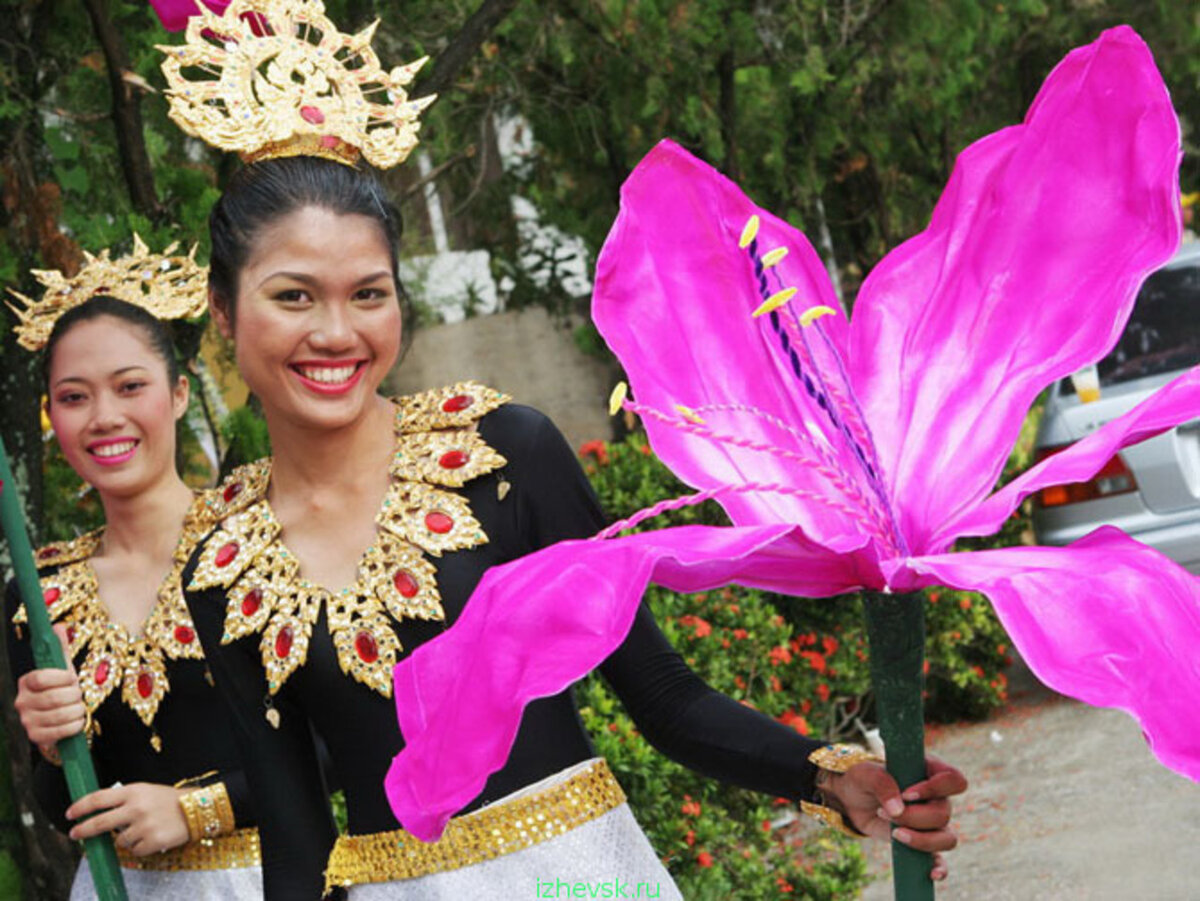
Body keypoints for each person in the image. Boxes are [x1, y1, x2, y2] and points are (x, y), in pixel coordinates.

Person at [154, 2, 966, 897]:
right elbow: (293, 822)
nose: (336, 332)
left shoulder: (505, 453)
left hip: (582, 879)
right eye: (294, 297)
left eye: (369, 293)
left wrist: (828, 774)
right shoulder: (220, 557)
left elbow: (661, 694)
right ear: (224, 315)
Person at [6, 266, 263, 900]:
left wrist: (200, 810)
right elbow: (60, 801)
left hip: (266, 879)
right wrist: (49, 746)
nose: (104, 417)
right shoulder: (39, 593)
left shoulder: (259, 542)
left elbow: (350, 740)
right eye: (73, 397)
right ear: (51, 416)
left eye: (130, 387)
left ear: (178, 394)